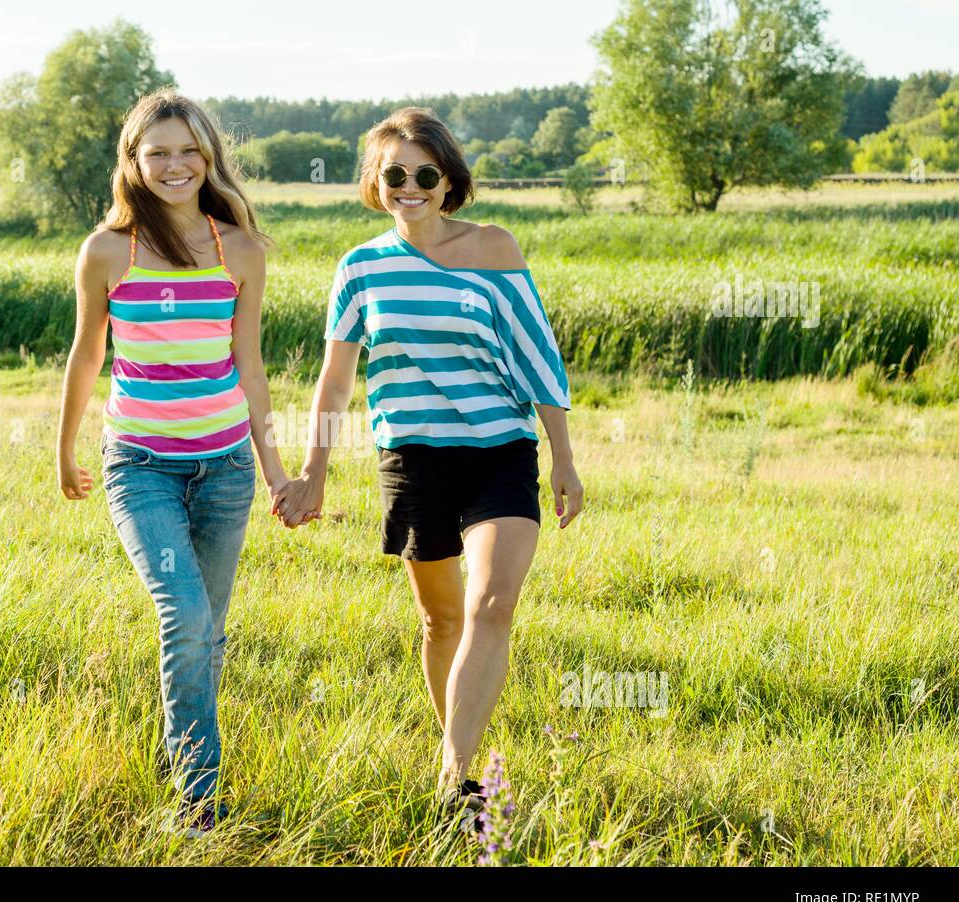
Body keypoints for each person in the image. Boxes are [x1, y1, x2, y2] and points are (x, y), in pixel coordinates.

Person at [274, 107, 583, 824]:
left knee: (491, 605)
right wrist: (314, 470)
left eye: (424, 174)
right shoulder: (359, 267)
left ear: (449, 182)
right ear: (374, 184)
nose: (408, 186)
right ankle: (461, 764)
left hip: (500, 451)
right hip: (411, 458)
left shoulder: (494, 247)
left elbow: (539, 354)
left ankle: (455, 777)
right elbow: (336, 380)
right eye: (393, 175)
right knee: (442, 620)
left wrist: (563, 458)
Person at [56, 89, 287, 836]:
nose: (175, 164)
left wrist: (277, 470)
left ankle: (184, 756)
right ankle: (201, 801)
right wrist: (64, 447)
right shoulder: (107, 251)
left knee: (207, 633)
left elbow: (250, 368)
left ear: (210, 156)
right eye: (157, 151)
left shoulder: (238, 251)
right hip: (139, 465)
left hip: (225, 470)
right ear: (133, 160)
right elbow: (88, 353)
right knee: (183, 613)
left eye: (189, 150)